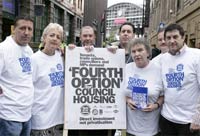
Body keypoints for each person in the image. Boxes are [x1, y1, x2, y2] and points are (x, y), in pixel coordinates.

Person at [158, 23, 200, 136]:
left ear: (183, 37)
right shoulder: (162, 59)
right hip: (166, 119)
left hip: (188, 122)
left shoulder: (196, 56)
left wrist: (198, 118)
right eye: (168, 38)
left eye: (175, 37)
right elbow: (143, 66)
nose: (172, 41)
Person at [30, 23, 67, 136]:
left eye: (58, 37)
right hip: (40, 121)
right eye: (52, 35)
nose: (55, 39)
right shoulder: (34, 60)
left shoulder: (63, 57)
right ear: (44, 37)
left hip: (60, 121)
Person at [0, 16, 34, 136]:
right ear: (14, 29)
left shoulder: (28, 50)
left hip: (26, 114)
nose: (26, 32)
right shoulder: (3, 49)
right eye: (22, 28)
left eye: (30, 29)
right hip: (9, 116)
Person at [124, 38, 164, 136]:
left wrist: (156, 105)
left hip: (151, 128)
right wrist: (127, 100)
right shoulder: (126, 68)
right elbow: (119, 91)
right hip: (130, 128)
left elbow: (164, 95)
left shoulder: (158, 70)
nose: (137, 54)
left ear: (147, 52)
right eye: (133, 51)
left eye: (140, 50)